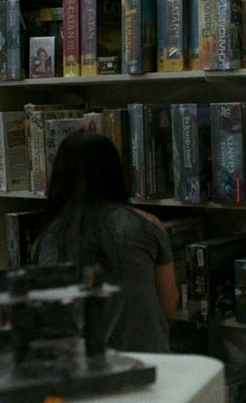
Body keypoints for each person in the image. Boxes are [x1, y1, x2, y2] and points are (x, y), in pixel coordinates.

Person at [35, 130, 179, 352]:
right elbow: (168, 305)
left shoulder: (48, 240)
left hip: (80, 365)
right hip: (148, 361)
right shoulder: (147, 225)